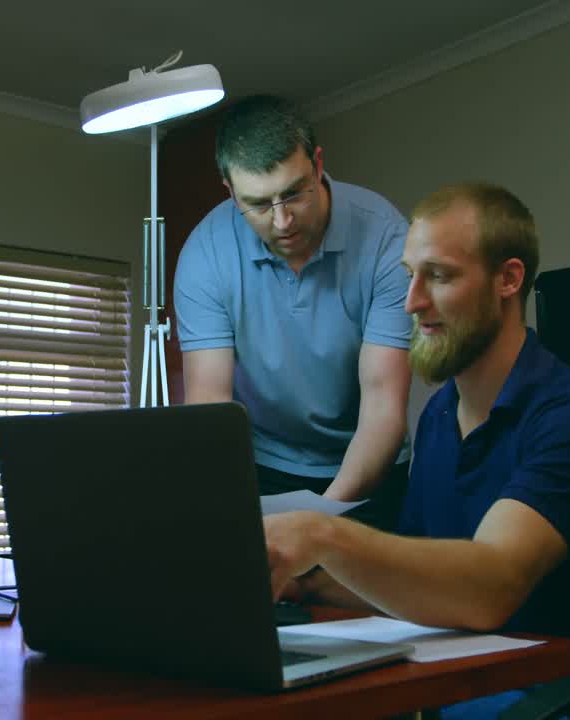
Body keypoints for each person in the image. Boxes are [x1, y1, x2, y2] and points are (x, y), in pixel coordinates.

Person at [263, 182, 570, 716]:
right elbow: (423, 583)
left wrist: (320, 534)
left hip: (550, 698)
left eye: (438, 276)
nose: (412, 302)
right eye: (409, 275)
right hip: (456, 679)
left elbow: (490, 587)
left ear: (508, 279)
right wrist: (306, 584)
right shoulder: (440, 415)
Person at [173, 95, 412, 529]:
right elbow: (210, 408)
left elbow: (383, 407)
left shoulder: (387, 240)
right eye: (259, 204)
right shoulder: (205, 253)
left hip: (367, 461)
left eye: (293, 194)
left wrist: (318, 519)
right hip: (261, 463)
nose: (282, 221)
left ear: (317, 165)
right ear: (230, 192)